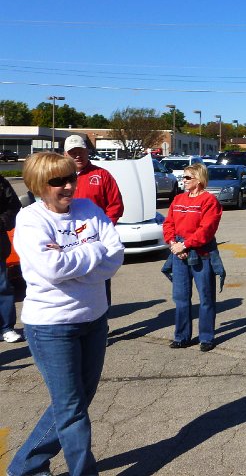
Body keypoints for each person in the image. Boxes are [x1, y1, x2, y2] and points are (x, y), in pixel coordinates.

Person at [7, 152, 124, 476]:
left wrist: (79, 256)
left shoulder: (89, 208)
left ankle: (25, 466)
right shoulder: (31, 220)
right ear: (39, 185)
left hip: (94, 318)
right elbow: (51, 268)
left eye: (71, 177)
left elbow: (115, 255)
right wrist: (94, 253)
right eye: (58, 181)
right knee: (71, 408)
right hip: (52, 327)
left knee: (75, 402)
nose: (69, 186)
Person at [162, 162, 222, 352]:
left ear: (199, 179)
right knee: (180, 297)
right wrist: (173, 244)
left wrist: (185, 244)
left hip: (201, 253)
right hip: (179, 252)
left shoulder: (209, 201)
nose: (184, 180)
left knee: (206, 297)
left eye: (188, 177)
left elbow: (207, 230)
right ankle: (182, 336)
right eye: (183, 177)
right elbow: (168, 223)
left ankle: (206, 337)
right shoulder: (178, 199)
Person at [64, 134, 124, 306]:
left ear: (87, 151)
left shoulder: (101, 175)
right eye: (73, 152)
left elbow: (115, 206)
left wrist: (104, 230)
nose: (77, 156)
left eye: (81, 151)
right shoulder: (58, 178)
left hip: (96, 241)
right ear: (65, 154)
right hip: (66, 241)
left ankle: (101, 323)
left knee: (100, 283)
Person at [0, 174, 22, 342]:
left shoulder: (1, 182)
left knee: (2, 286)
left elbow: (14, 205)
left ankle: (6, 328)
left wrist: (2, 221)